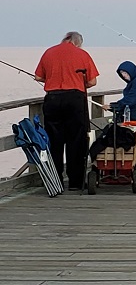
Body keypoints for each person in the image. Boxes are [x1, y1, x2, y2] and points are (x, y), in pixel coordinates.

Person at [34, 31, 99, 191]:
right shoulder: (82, 54)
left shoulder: (49, 52)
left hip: (53, 99)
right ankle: (76, 182)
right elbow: (92, 81)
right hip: (75, 99)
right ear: (77, 42)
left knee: (53, 140)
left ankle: (55, 181)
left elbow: (38, 77)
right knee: (76, 140)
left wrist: (52, 79)